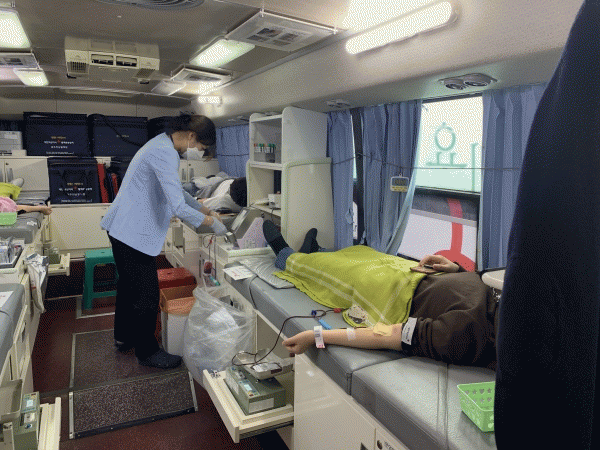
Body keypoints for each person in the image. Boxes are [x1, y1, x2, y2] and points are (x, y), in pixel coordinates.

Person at [262, 220, 498, 369]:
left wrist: (316, 335)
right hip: (420, 274)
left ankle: (287, 258)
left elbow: (389, 335)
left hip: (394, 295)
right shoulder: (503, 293)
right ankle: (315, 252)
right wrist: (457, 269)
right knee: (364, 252)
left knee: (348, 272)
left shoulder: (465, 333)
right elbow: (478, 283)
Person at [100, 114, 228, 369]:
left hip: (123, 228)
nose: (200, 152)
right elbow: (178, 206)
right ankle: (147, 352)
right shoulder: (164, 153)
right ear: (191, 136)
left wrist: (205, 210)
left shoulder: (161, 144)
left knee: (128, 288)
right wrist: (211, 223)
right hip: (132, 233)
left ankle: (124, 337)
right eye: (201, 147)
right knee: (146, 295)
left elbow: (177, 192)